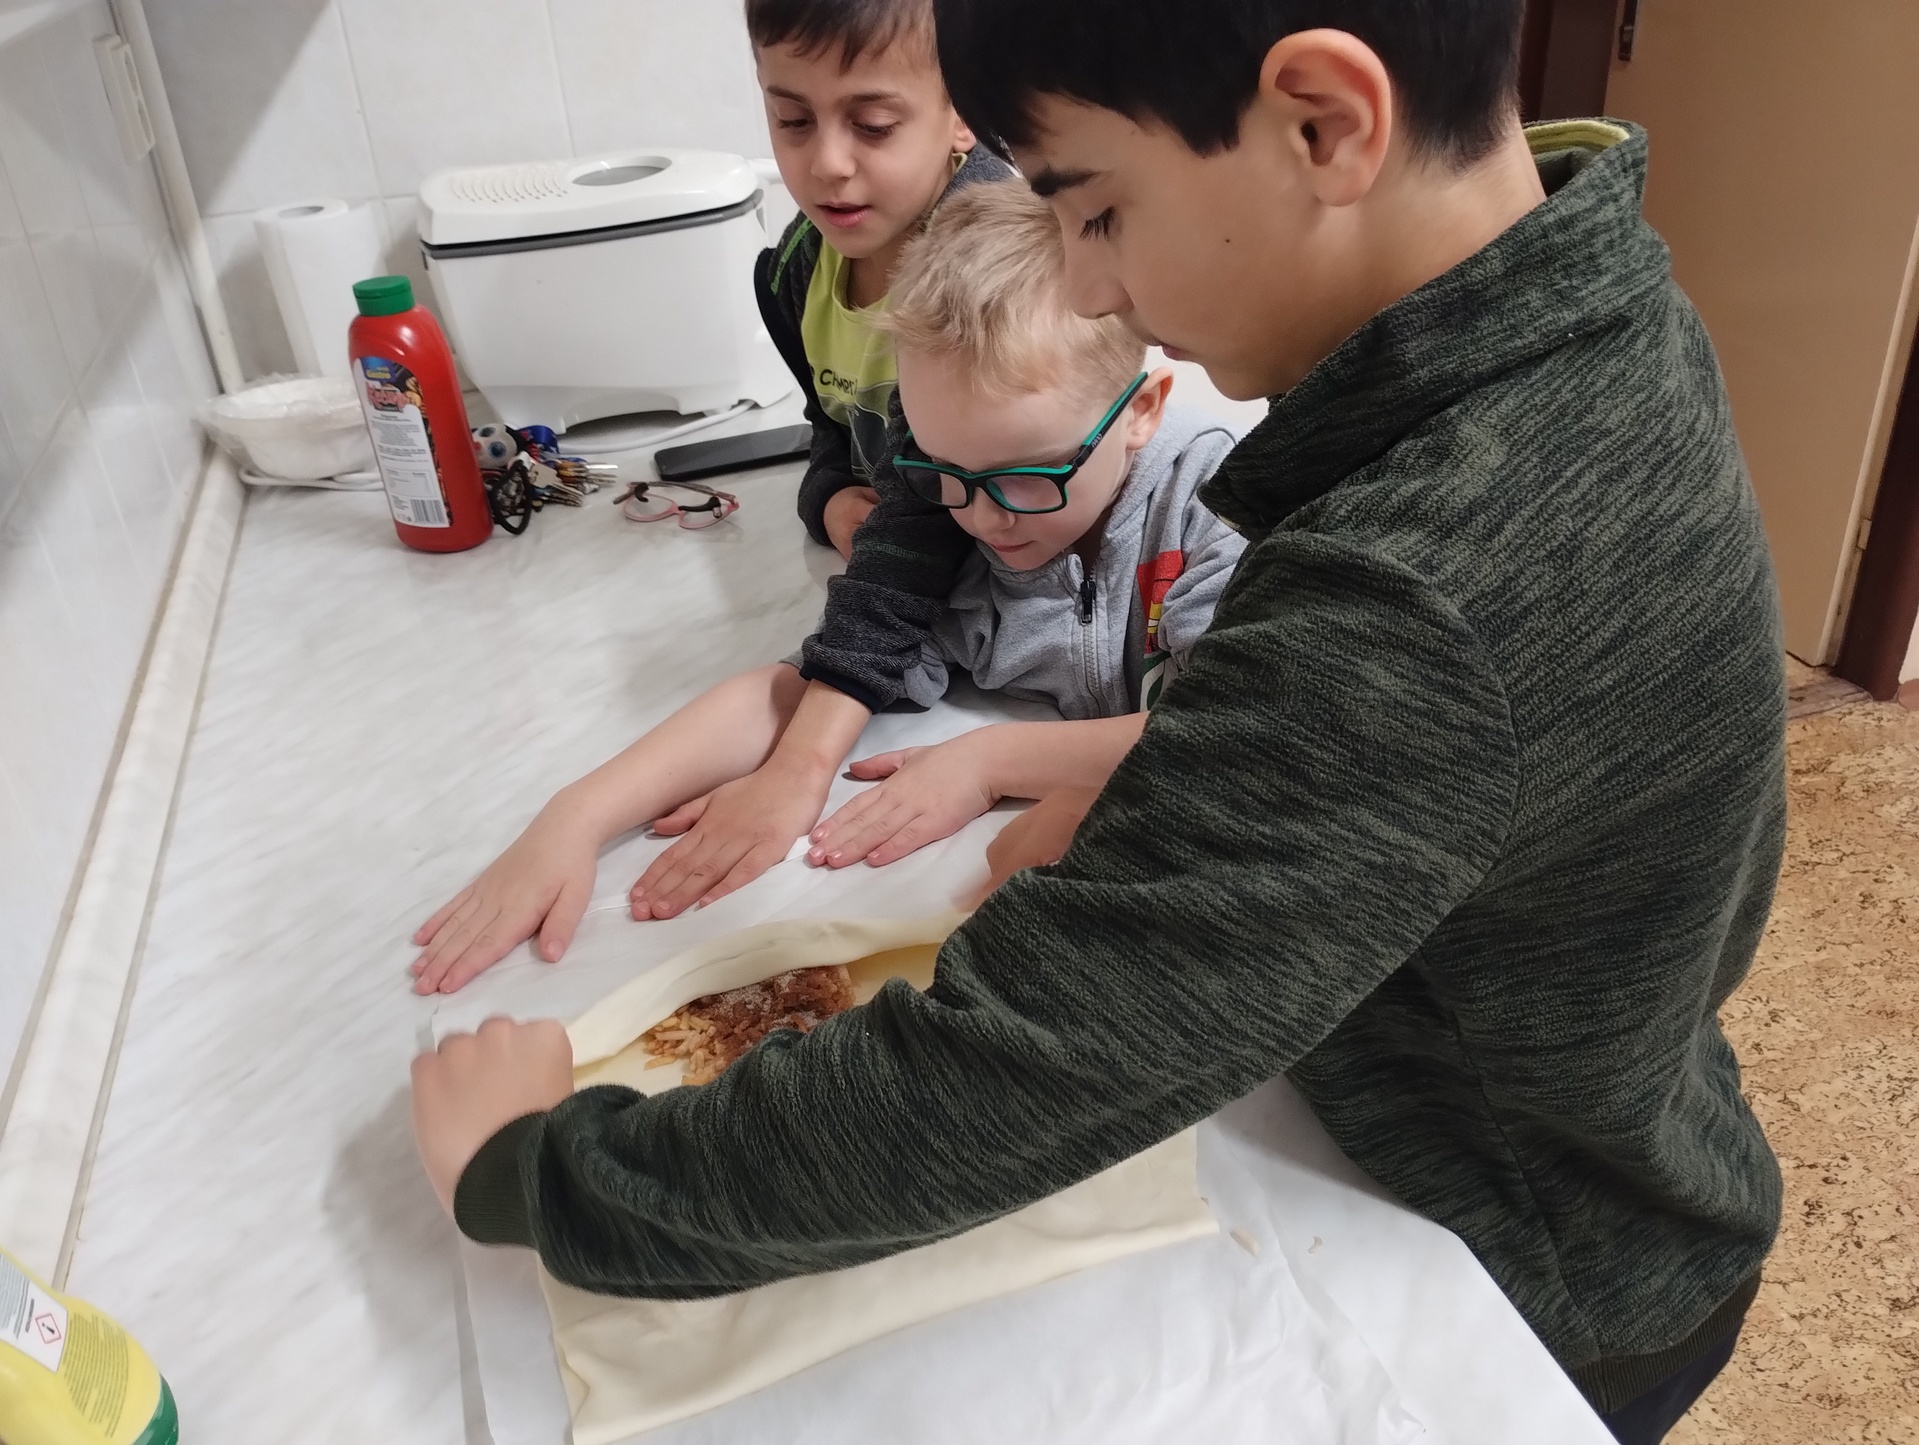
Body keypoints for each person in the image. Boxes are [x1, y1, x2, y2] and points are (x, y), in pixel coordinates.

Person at [413, 5, 1786, 1442]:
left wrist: (540, 1172)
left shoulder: (1414, 587)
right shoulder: (1595, 313)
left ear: (1322, 122)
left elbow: (1012, 1076)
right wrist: (1209, 799)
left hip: (1530, 1280)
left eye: (1096, 208)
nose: (1087, 278)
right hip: (1621, 1123)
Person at [409, 181, 1244, 995]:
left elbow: (1241, 732)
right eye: (943, 470)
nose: (983, 517)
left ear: (1141, 411)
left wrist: (989, 761)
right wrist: (578, 814)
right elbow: (804, 687)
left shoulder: (1221, 510)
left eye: (1026, 474)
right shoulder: (957, 530)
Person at [747, 0, 1011, 559]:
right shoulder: (800, 264)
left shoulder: (996, 275)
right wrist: (828, 497)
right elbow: (831, 427)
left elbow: (989, 498)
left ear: (965, 113)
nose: (828, 164)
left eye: (874, 126)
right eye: (793, 119)